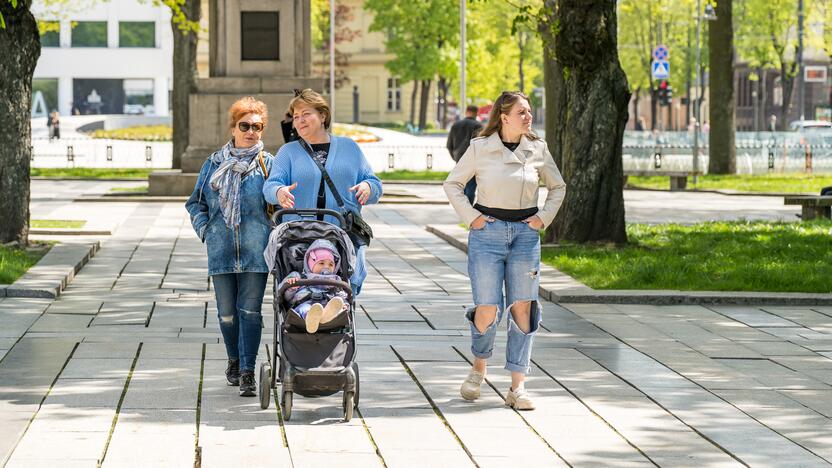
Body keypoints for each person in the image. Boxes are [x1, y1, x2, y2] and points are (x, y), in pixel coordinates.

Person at [443, 91, 566, 411]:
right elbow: (453, 184)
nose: (529, 117)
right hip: (488, 235)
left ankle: (518, 385)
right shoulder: (480, 148)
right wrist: (472, 218)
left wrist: (542, 219)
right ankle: (478, 369)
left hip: (526, 236)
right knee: (488, 307)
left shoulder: (537, 148)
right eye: (522, 112)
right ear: (504, 116)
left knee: (523, 308)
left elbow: (558, 186)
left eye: (529, 111)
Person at [185, 97, 273, 397]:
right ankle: (234, 360)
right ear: (233, 127)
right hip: (221, 249)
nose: (251, 132)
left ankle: (248, 370)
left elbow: (277, 205)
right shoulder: (214, 163)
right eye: (245, 125)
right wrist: (206, 230)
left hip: (255, 252)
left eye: (257, 127)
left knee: (249, 311)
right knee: (226, 313)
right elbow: (195, 202)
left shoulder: (267, 164)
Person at [263, 89, 382, 295]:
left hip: (341, 236)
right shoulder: (288, 152)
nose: (299, 121)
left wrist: (368, 187)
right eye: (296, 117)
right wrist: (279, 191)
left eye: (306, 114)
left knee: (343, 292)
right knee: (298, 290)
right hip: (299, 237)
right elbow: (270, 186)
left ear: (323, 115)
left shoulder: (349, 148)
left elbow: (374, 183)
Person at [278, 239, 349, 333]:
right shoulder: (298, 277)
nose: (326, 267)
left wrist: (344, 304)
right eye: (321, 263)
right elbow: (285, 297)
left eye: (331, 264)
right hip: (305, 304)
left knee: (338, 306)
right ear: (310, 264)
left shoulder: (336, 280)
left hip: (328, 305)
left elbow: (342, 295)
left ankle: (326, 316)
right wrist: (291, 287)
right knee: (305, 309)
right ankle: (312, 318)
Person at [447, 105, 483, 204]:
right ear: (476, 113)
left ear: (467, 112)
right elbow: (481, 145)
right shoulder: (478, 126)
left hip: (459, 158)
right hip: (473, 159)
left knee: (460, 186)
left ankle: (463, 208)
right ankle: (468, 209)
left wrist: (455, 157)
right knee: (471, 187)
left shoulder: (455, 125)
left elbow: (449, 145)